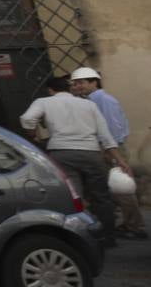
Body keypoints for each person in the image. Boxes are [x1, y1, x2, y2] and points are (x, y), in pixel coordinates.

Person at [20, 75, 132, 248]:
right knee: (102, 197)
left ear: (50, 90)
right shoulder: (89, 104)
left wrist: (32, 133)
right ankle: (108, 236)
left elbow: (27, 119)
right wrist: (120, 160)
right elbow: (105, 135)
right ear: (69, 88)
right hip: (92, 153)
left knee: (74, 197)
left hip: (62, 153)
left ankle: (82, 237)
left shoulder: (44, 102)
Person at [70, 66, 145, 240]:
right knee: (111, 188)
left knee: (122, 188)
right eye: (75, 83)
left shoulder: (103, 100)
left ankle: (135, 226)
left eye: (80, 82)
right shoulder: (91, 100)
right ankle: (126, 223)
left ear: (93, 82)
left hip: (111, 149)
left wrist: (112, 153)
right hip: (105, 148)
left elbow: (114, 128)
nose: (77, 86)